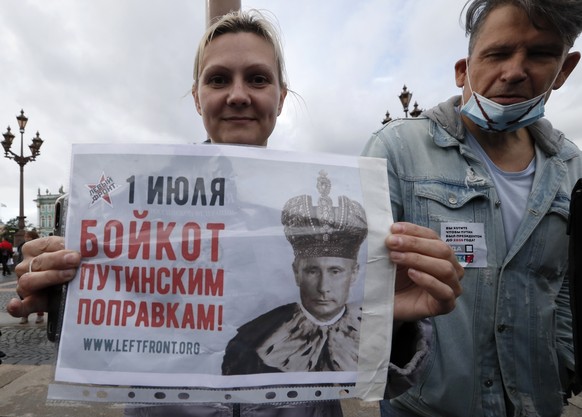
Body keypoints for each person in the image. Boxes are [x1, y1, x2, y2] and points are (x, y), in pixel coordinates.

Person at [8, 10, 463, 417]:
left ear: (282, 97)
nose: (239, 95)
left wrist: (396, 320)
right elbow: (106, 338)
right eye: (219, 79)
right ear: (196, 96)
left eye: (258, 79)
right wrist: (64, 292)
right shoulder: (133, 205)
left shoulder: (329, 210)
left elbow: (385, 380)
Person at [362, 0, 582, 415]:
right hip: (424, 407)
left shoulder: (571, 168)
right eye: (498, 53)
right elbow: (360, 286)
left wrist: (565, 362)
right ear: (463, 69)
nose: (515, 71)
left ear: (565, 69)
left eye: (539, 54)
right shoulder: (396, 149)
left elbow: (565, 281)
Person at [222, 171, 368, 375]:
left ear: (354, 274)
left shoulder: (378, 328)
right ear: (296, 272)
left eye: (335, 271)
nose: (323, 287)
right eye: (312, 271)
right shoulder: (254, 338)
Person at [15, 230, 44, 324]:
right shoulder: (22, 246)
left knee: (37, 293)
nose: (26, 238)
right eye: (25, 236)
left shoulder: (39, 246)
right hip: (22, 272)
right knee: (22, 293)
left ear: (33, 237)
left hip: (35, 271)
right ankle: (24, 315)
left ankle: (40, 315)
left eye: (28, 236)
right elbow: (19, 259)